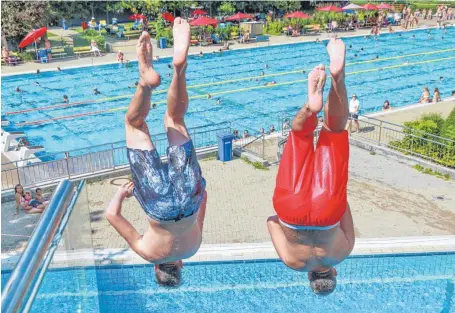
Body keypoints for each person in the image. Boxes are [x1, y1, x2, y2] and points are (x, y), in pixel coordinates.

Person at [105, 23, 207, 287]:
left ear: (180, 266)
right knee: (134, 125)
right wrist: (121, 194)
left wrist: (196, 189)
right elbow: (112, 216)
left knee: (175, 119)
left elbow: (203, 198)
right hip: (157, 204)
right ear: (156, 270)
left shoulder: (193, 248)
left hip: (188, 199)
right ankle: (145, 83)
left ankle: (179, 69)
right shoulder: (148, 254)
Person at [267, 38, 354, 296]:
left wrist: (330, 191)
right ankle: (309, 107)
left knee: (334, 131)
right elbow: (272, 223)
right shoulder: (292, 262)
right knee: (298, 136)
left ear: (333, 273)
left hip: (328, 209)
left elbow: (344, 208)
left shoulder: (342, 253)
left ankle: (338, 76)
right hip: (291, 212)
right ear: (309, 277)